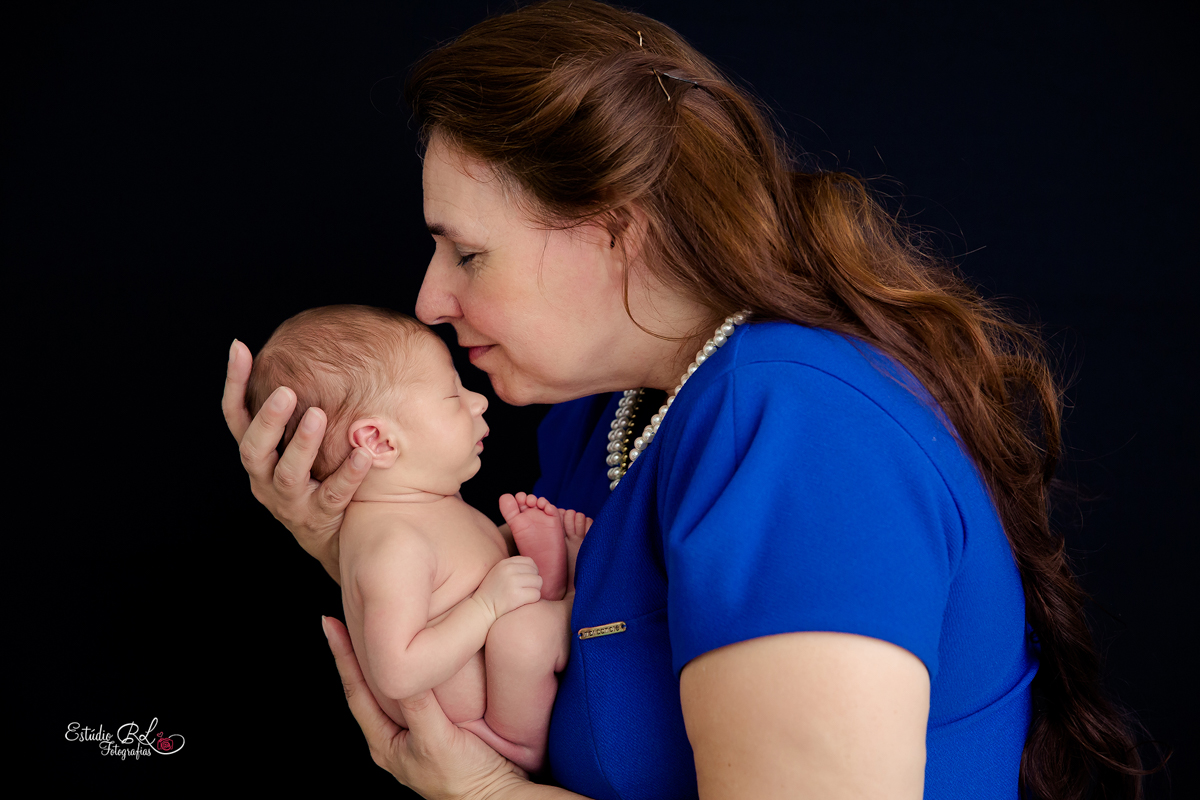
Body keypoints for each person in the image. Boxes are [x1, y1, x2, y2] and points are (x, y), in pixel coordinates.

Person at [222, 1, 1148, 797]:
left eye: (467, 253)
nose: (428, 300)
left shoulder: (797, 432)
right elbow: (510, 669)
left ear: (615, 229)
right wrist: (360, 529)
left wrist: (484, 792)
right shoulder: (600, 421)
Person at [243, 304, 592, 773]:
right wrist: (486, 606)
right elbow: (398, 670)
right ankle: (572, 601)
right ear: (381, 442)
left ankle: (546, 581)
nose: (478, 402)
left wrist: (509, 542)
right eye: (454, 397)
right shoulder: (392, 545)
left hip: (499, 681)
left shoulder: (423, 508)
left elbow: (462, 573)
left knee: (518, 613)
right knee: (522, 636)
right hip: (490, 732)